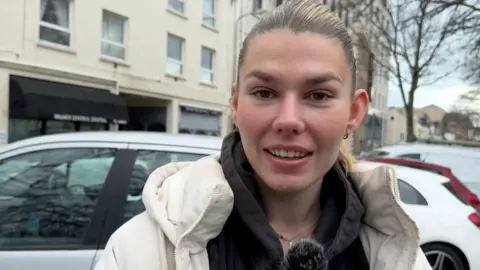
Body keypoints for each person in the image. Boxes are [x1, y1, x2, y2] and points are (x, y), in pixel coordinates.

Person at [94, 0, 432, 269]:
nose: (288, 121)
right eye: (265, 93)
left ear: (354, 112)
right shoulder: (139, 251)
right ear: (236, 103)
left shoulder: (398, 255)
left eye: (318, 95)